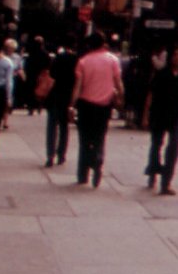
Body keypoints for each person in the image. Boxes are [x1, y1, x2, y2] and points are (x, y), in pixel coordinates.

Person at [72, 31, 123, 187]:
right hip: (104, 107)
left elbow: (78, 87)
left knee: (84, 140)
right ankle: (98, 159)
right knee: (100, 137)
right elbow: (119, 83)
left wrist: (71, 105)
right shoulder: (113, 60)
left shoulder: (83, 61)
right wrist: (121, 97)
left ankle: (83, 174)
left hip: (86, 105)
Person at [143, 45, 178, 194]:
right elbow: (150, 95)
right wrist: (146, 116)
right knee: (156, 144)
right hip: (159, 113)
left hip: (176, 115)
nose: (177, 57)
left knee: (174, 148)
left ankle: (166, 182)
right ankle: (153, 169)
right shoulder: (161, 74)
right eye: (174, 54)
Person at [44, 41, 78, 167]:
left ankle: (50, 155)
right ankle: (61, 154)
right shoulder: (76, 59)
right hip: (68, 95)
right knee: (64, 126)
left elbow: (52, 74)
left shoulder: (58, 57)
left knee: (52, 125)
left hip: (56, 93)